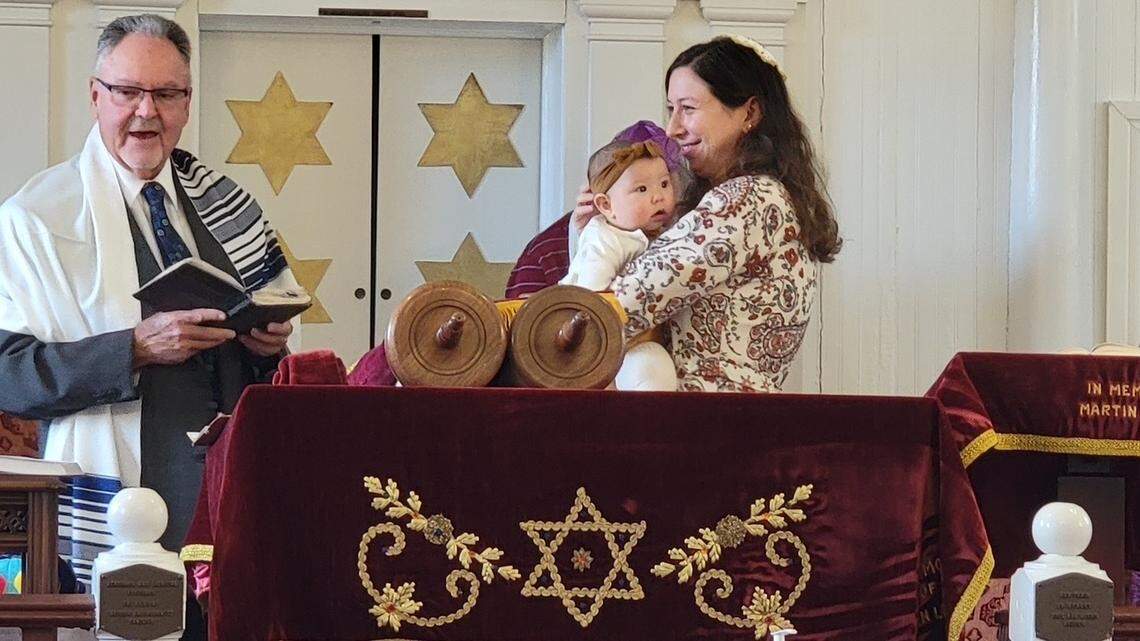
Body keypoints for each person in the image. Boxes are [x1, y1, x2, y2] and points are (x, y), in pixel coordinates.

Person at [0, 13, 296, 603]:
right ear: (95, 95)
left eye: (166, 94)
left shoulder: (231, 207)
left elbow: (277, 357)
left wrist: (269, 347)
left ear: (187, 102)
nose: (146, 111)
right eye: (128, 91)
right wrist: (134, 349)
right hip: (116, 496)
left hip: (232, 489)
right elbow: (9, 375)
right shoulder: (36, 217)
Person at [578, 36, 841, 392]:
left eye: (688, 108)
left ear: (749, 113)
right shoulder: (768, 195)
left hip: (705, 417)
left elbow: (618, 307)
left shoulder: (746, 200)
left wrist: (601, 237)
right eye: (671, 109)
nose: (672, 128)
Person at [559, 137, 678, 391]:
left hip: (637, 338)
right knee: (651, 368)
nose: (659, 197)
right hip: (600, 343)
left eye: (664, 184)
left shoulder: (653, 233)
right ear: (606, 205)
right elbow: (591, 297)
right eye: (642, 189)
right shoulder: (604, 240)